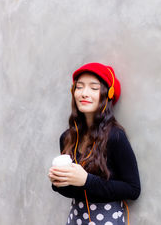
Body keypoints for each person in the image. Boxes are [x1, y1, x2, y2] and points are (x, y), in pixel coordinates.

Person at [48, 62, 141, 225]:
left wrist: (86, 180)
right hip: (76, 218)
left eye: (93, 88)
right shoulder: (67, 138)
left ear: (107, 94)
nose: (84, 93)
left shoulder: (115, 136)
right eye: (79, 87)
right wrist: (59, 183)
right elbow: (75, 191)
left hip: (108, 219)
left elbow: (133, 189)